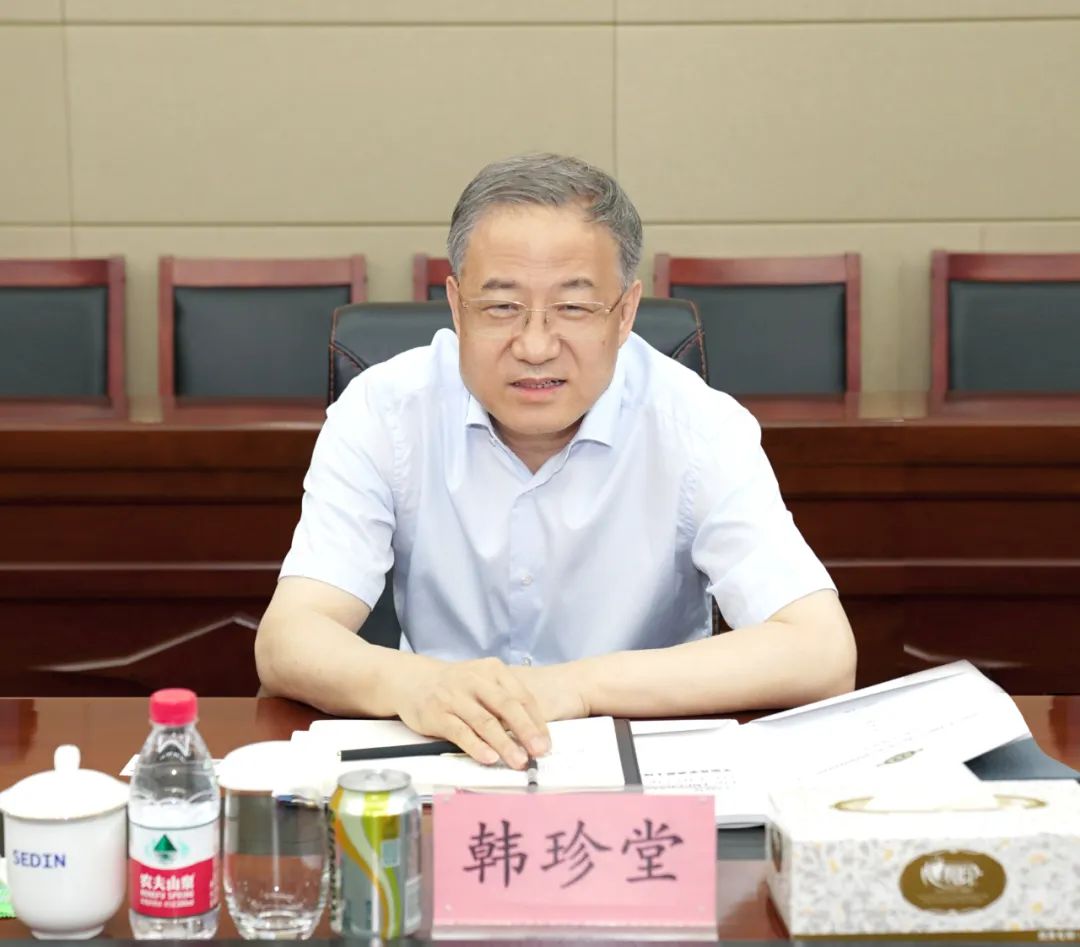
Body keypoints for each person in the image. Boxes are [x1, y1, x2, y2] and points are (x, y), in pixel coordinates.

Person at [256, 153, 856, 769]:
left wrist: (577, 688)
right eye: (501, 307)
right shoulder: (384, 412)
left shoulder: (699, 426)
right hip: (443, 758)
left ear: (625, 313)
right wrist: (421, 686)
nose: (536, 346)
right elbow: (288, 641)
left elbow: (821, 651)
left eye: (573, 308)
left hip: (645, 772)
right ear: (457, 306)